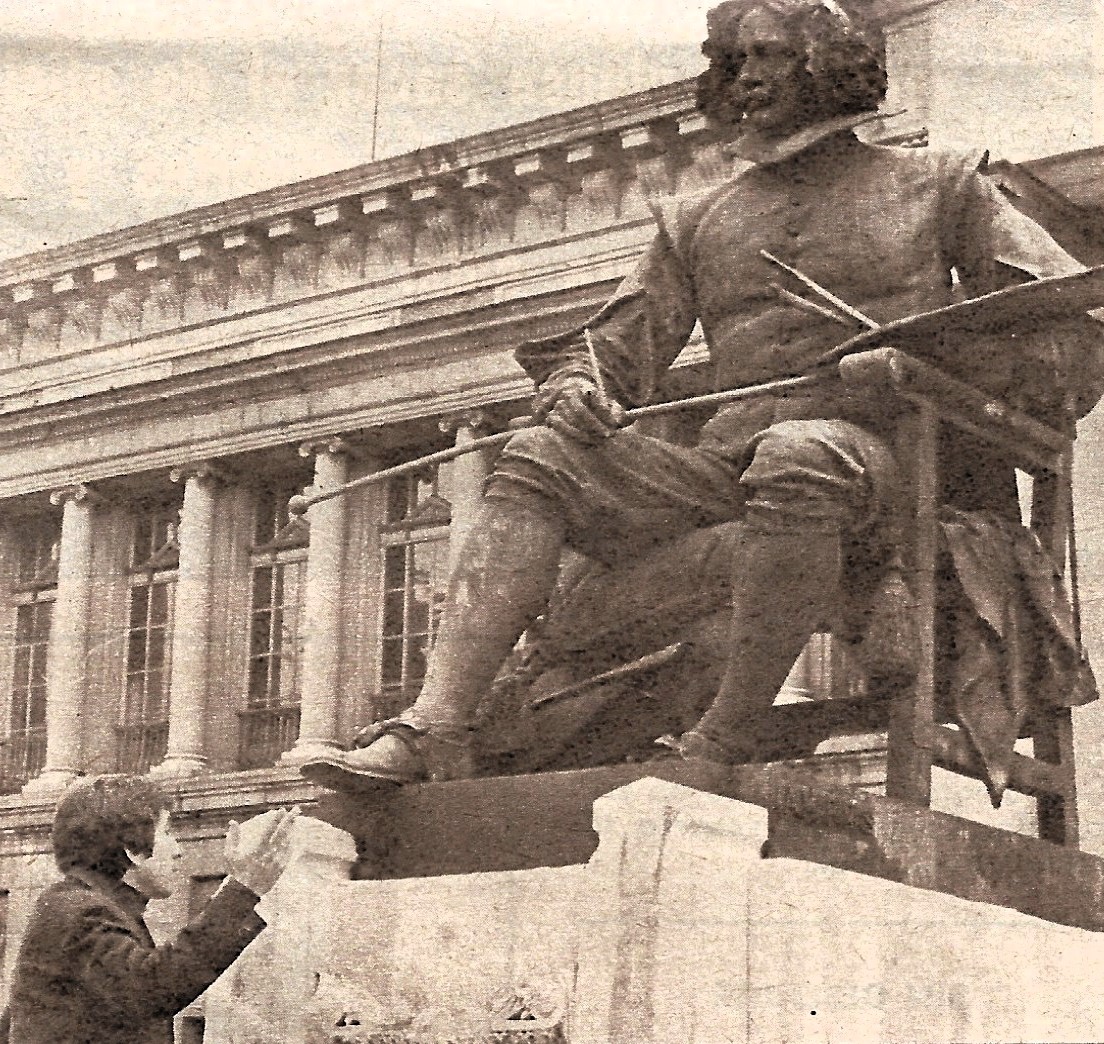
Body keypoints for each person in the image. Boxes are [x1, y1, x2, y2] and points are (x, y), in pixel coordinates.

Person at [302, 0, 1094, 791]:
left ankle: (727, 735)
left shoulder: (943, 184)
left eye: (771, 56)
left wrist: (931, 365)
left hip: (893, 468)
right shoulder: (696, 218)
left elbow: (1074, 331)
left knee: (798, 453)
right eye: (737, 61)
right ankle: (433, 727)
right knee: (539, 451)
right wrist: (579, 385)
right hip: (722, 475)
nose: (747, 78)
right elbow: (610, 347)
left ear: (833, 63)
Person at [4, 774, 298, 1043]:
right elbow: (154, 986)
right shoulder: (79, 909)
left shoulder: (79, 904)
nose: (179, 849)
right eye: (168, 832)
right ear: (132, 848)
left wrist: (237, 890)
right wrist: (241, 889)